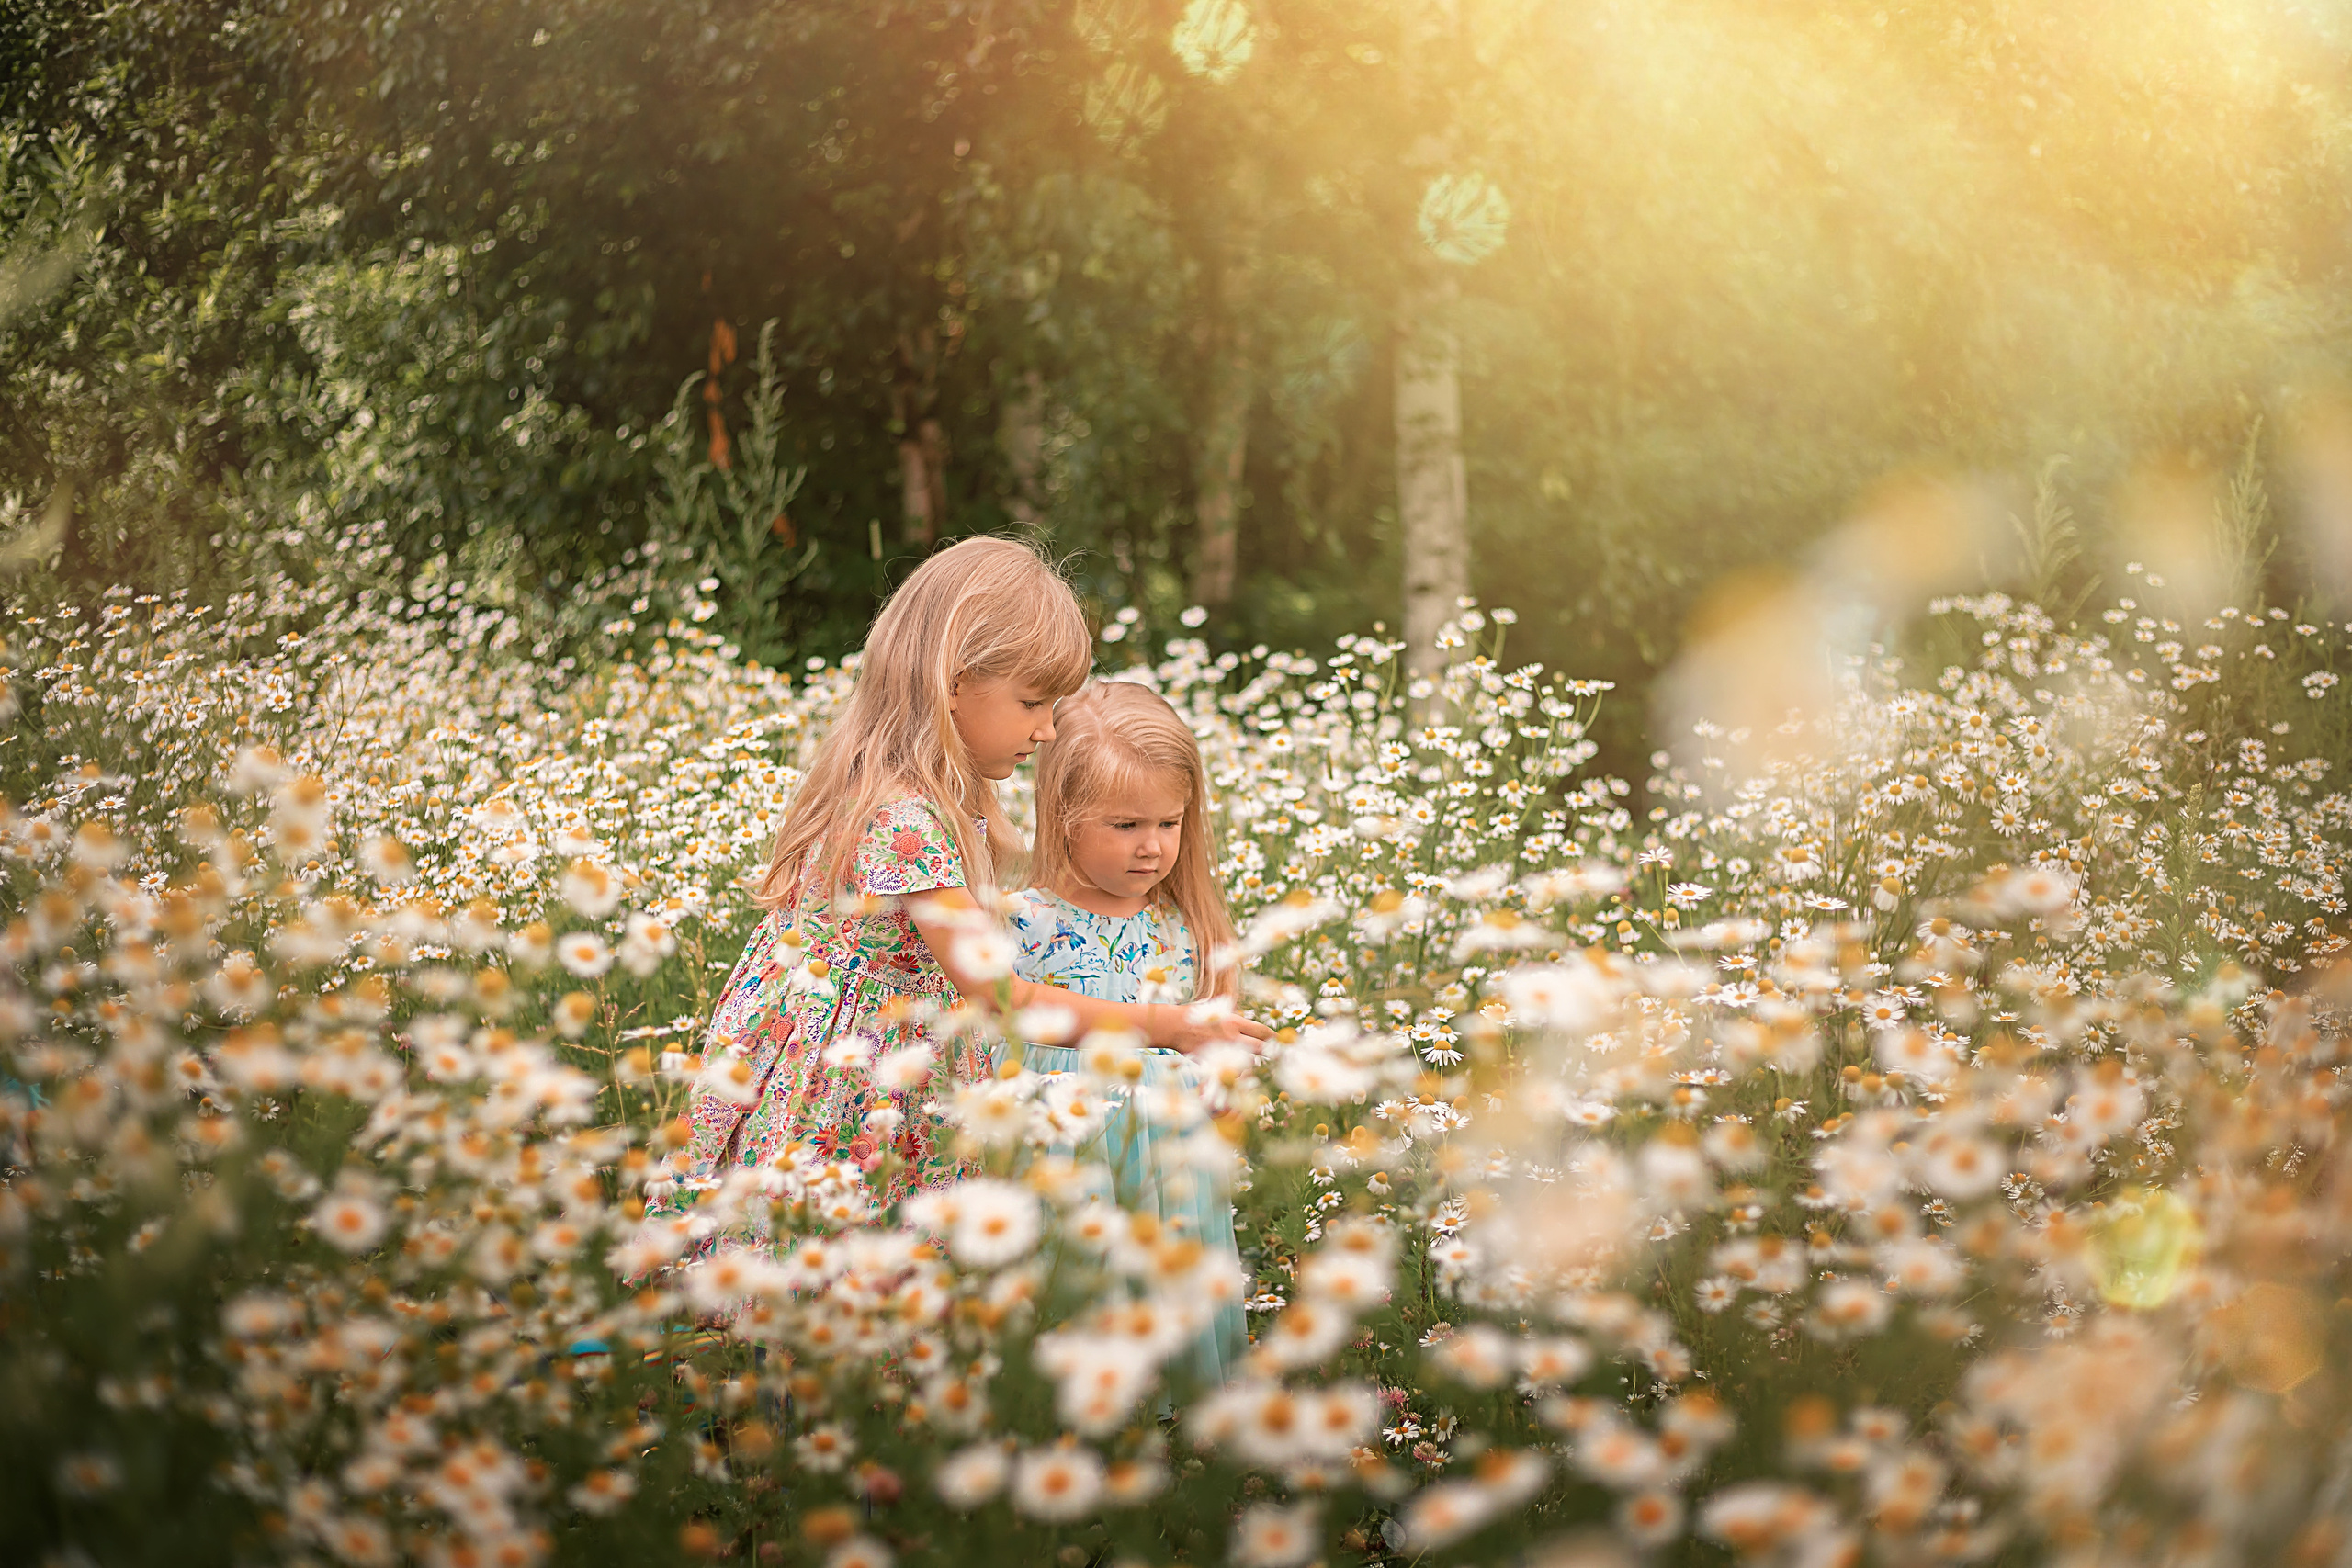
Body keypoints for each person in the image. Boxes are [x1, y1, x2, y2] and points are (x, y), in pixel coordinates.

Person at [673, 537, 1268, 1220]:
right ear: (954, 682)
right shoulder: (904, 816)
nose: (1048, 730)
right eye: (1033, 701)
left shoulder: (924, 790)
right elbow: (999, 997)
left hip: (876, 1060)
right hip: (846, 1083)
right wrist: (1169, 1025)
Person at [1008, 679, 1250, 1383]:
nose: (1151, 847)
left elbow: (1217, 1037)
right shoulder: (1023, 922)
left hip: (1170, 1178)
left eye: (1168, 824)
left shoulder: (1187, 927)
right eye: (1124, 825)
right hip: (1068, 1167)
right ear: (1062, 815)